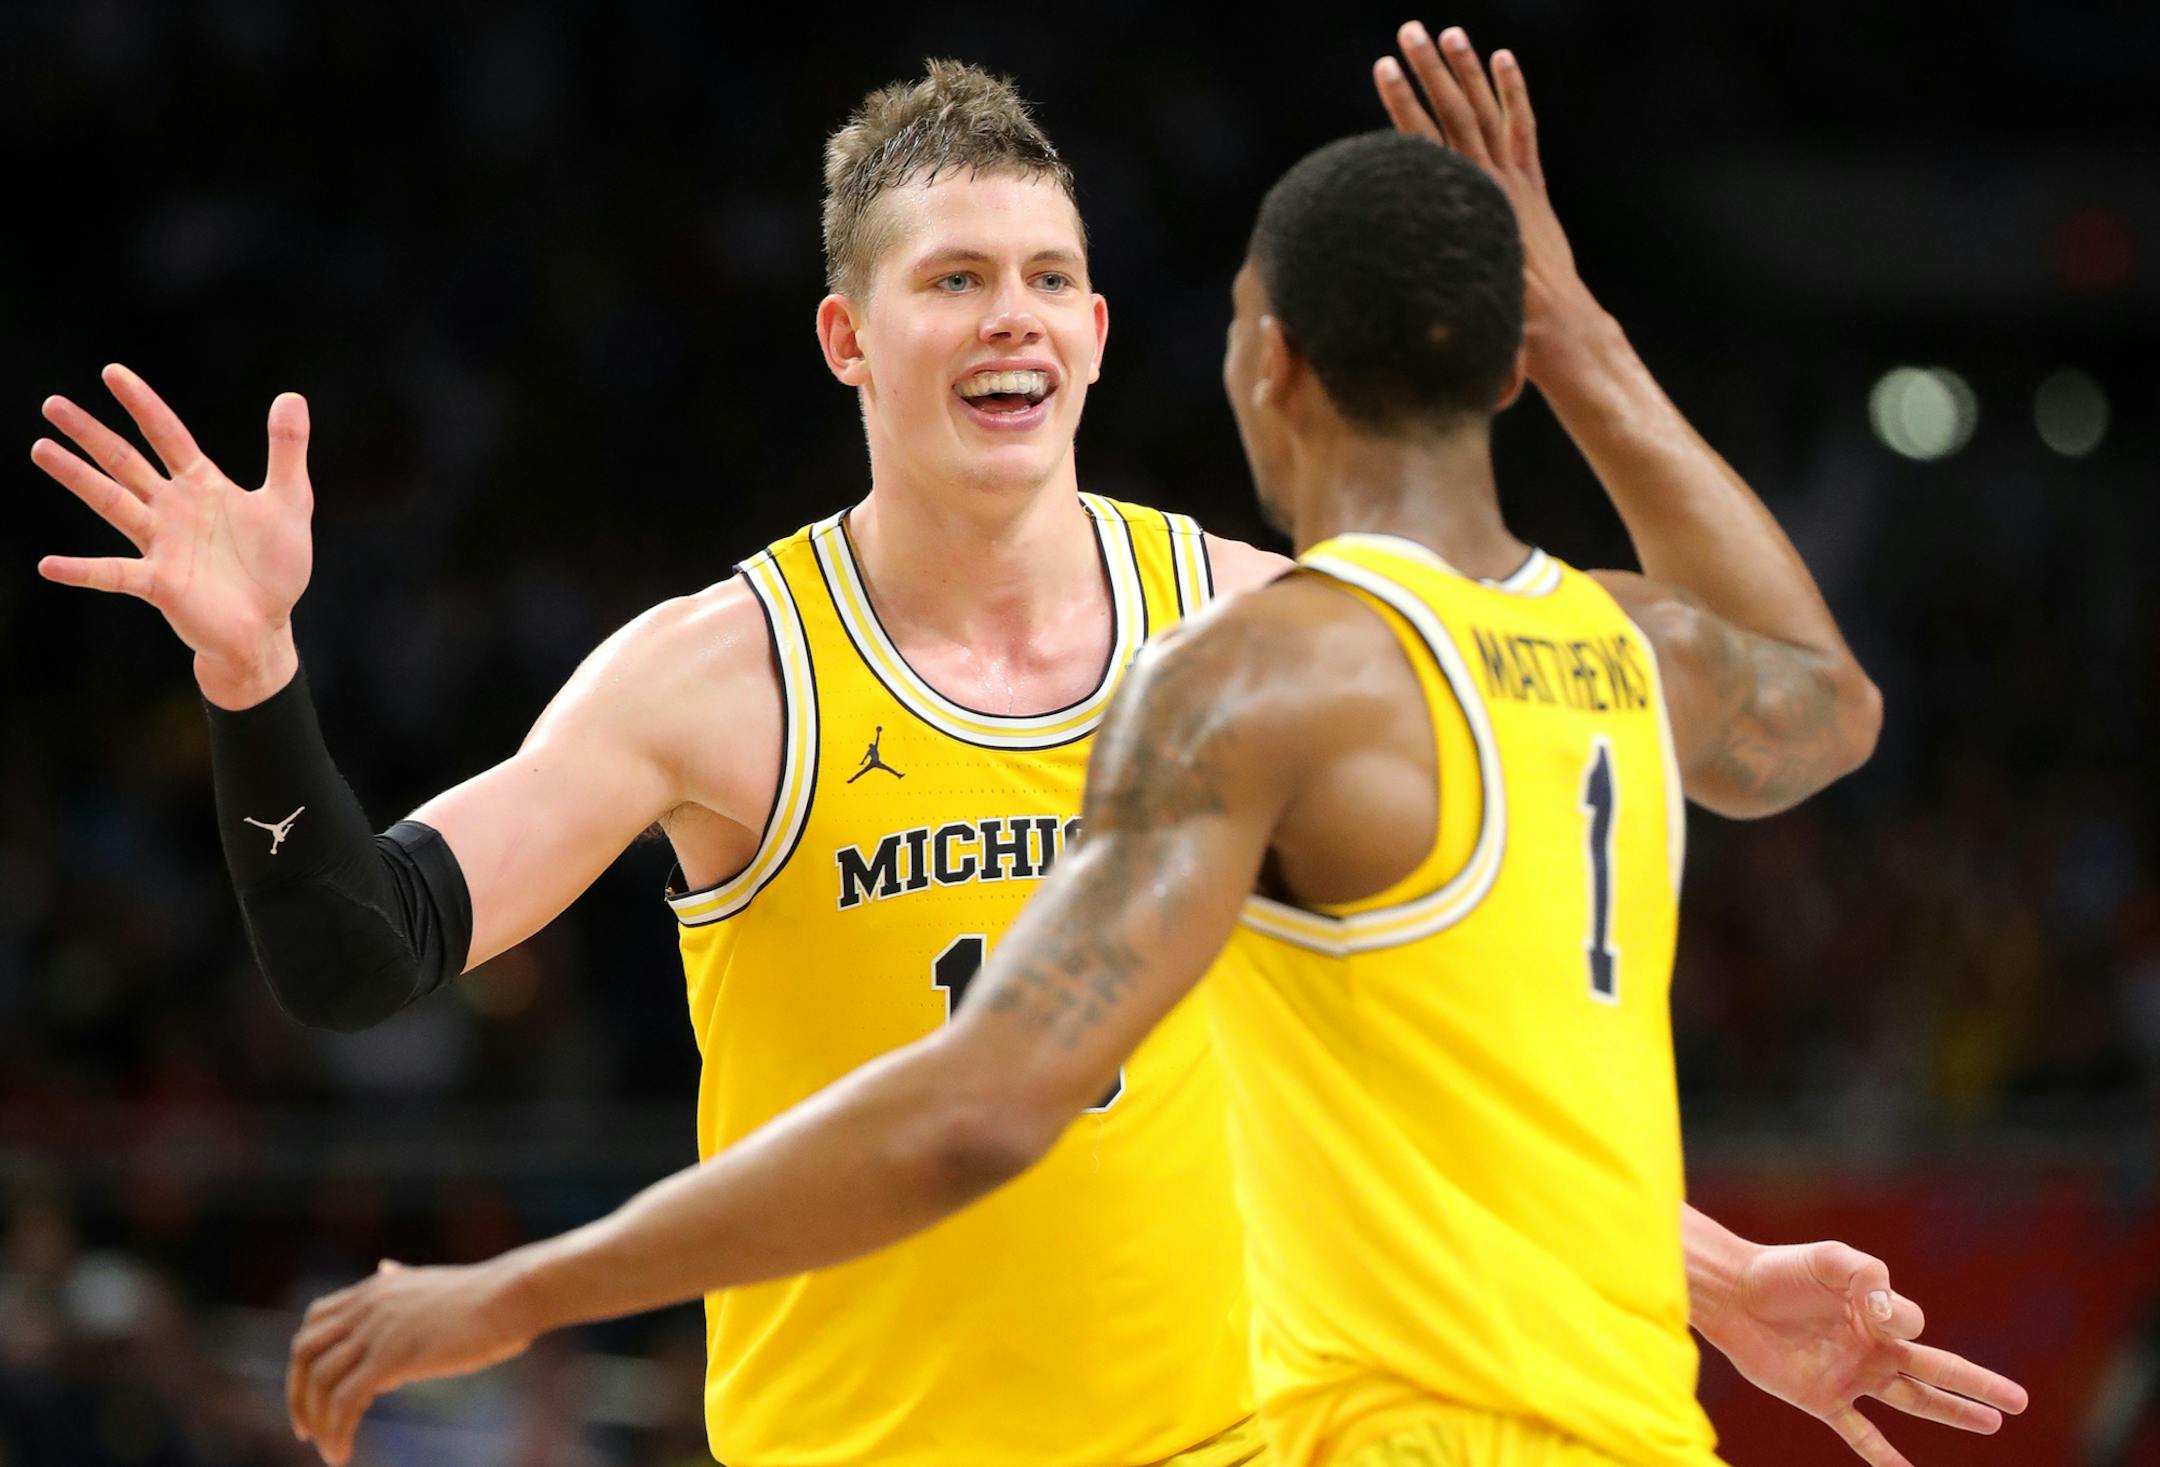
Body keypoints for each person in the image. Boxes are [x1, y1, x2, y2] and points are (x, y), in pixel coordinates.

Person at [38, 41, 2018, 1467]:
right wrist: (254, 677)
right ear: (847, 337)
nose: (1018, 318)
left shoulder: (1257, 627)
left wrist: (1712, 1273)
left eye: (1052, 277)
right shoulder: (721, 671)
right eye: (956, 280)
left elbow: (1405, 1062)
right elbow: (357, 947)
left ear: (1097, 325)